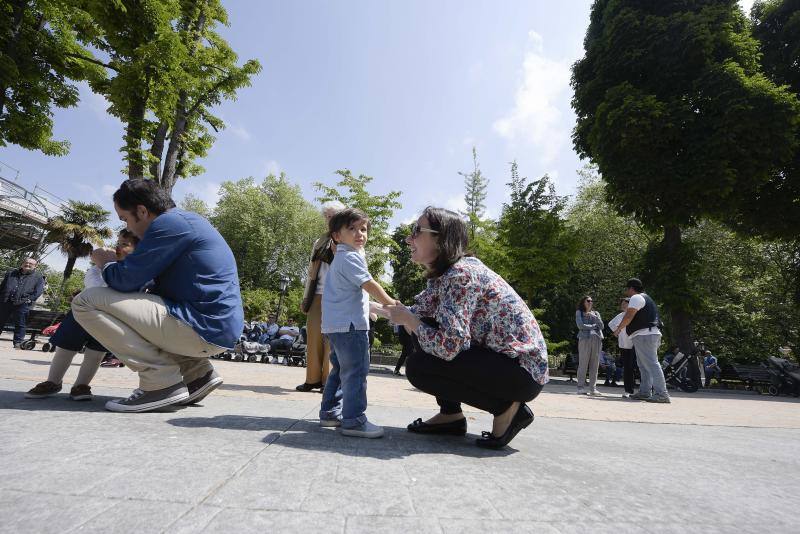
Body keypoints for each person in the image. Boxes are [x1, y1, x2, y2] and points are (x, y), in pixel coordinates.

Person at [72, 179, 244, 413]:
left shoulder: (167, 224)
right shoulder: (186, 221)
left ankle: (160, 382)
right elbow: (142, 285)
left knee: (86, 301)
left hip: (201, 327)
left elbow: (125, 281)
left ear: (142, 211)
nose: (128, 229)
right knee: (137, 308)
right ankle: (197, 374)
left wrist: (106, 263)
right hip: (214, 327)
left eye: (125, 219)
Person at [384, 207, 548, 450]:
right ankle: (450, 415)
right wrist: (368, 305)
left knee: (419, 366)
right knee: (422, 329)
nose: (409, 239)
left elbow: (450, 345)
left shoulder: (461, 274)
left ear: (440, 238)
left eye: (417, 231)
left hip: (521, 372)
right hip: (506, 365)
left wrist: (409, 321)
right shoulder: (446, 275)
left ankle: (506, 409)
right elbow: (414, 313)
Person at [25, 230, 139, 401]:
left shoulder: (134, 270)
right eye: (118, 242)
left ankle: (81, 385)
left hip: (109, 317)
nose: (118, 247)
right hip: (82, 312)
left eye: (125, 244)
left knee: (96, 353)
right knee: (65, 348)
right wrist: (105, 265)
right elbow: (93, 284)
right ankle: (53, 381)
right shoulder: (99, 267)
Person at [318, 208, 397, 438]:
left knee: (341, 370)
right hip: (351, 328)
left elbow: (350, 296)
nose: (359, 233)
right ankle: (353, 421)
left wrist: (373, 308)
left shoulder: (341, 258)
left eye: (363, 229)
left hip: (336, 326)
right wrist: (390, 302)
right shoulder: (350, 257)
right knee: (356, 372)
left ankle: (330, 413)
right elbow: (369, 284)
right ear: (337, 236)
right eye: (351, 229)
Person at [297, 201, 344, 392]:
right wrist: (305, 297)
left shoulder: (349, 239)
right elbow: (311, 272)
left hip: (338, 295)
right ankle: (313, 379)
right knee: (313, 336)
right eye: (327, 216)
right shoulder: (319, 241)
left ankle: (328, 381)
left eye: (332, 216)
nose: (329, 219)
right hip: (317, 293)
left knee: (331, 340)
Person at [612, 278, 670, 403]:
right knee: (643, 365)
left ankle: (662, 394)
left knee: (652, 363)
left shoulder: (636, 298)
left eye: (627, 289)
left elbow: (629, 315)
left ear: (631, 288)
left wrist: (618, 329)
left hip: (645, 335)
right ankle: (645, 392)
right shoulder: (645, 298)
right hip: (645, 334)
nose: (626, 292)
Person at [0, 257, 45, 348]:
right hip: (5, 301)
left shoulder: (38, 277)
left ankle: (18, 342)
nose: (27, 265)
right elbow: (2, 286)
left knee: (20, 324)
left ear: (35, 266)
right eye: (26, 262)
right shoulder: (11, 273)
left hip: (22, 303)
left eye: (30, 264)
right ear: (22, 263)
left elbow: (38, 291)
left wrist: (29, 300)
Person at [575, 295, 604, 395]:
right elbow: (580, 325)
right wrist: (593, 326)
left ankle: (593, 388)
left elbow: (602, 326)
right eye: (588, 301)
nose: (590, 302)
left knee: (594, 365)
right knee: (583, 363)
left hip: (597, 339)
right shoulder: (579, 313)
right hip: (584, 339)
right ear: (583, 302)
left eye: (591, 301)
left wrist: (595, 318)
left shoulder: (596, 313)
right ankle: (580, 387)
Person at [609, 297, 636, 397]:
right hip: (624, 345)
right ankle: (628, 391)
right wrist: (617, 331)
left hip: (635, 345)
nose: (623, 305)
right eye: (622, 304)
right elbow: (611, 325)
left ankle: (646, 389)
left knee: (638, 367)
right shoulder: (619, 316)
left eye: (625, 303)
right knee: (628, 368)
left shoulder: (635, 315)